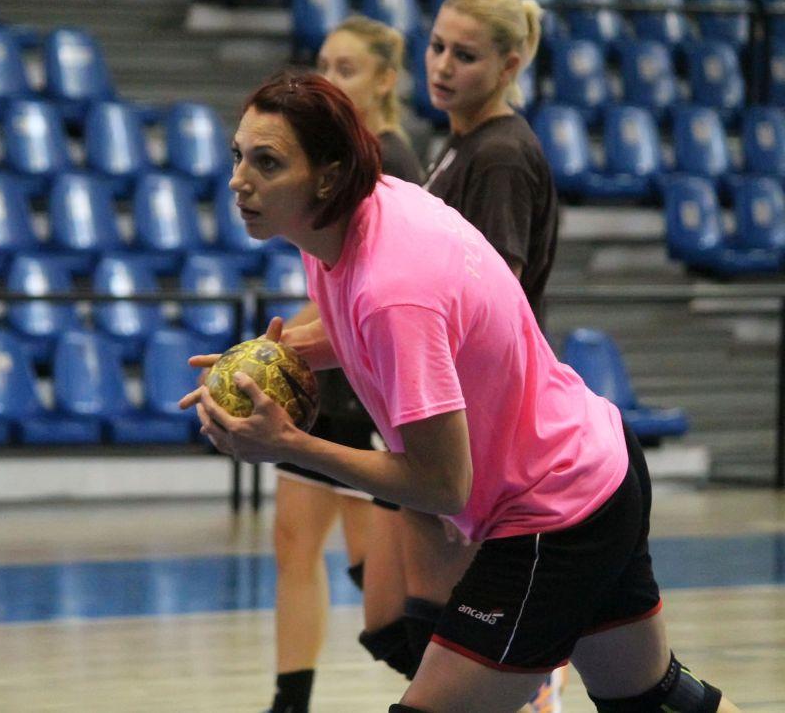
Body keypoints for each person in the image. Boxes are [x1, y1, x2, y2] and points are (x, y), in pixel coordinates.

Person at [179, 71, 740, 713]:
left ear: (327, 177)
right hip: (599, 467)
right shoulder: (361, 212)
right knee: (657, 701)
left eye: (267, 163)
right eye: (238, 155)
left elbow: (442, 484)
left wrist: (291, 445)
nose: (238, 180)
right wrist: (283, 355)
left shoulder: (393, 289)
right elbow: (379, 326)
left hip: (553, 511)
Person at [394, 0, 564, 712]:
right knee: (424, 619)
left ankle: (538, 686)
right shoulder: (461, 144)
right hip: (457, 405)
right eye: (436, 47)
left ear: (509, 64)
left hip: (481, 413)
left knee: (462, 627)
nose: (441, 65)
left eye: (464, 55)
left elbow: (492, 299)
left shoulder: (499, 157)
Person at [264, 15, 425, 713]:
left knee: (376, 572)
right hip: (326, 379)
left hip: (366, 381)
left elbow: (363, 294)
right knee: (293, 540)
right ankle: (289, 701)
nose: (329, 79)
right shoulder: (331, 155)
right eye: (324, 65)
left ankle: (497, 674)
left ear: (386, 80)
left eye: (347, 68)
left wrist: (271, 347)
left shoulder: (392, 160)